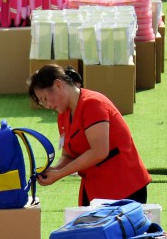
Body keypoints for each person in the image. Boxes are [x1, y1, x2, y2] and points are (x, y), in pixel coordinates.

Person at [30, 64, 151, 205]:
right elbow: (68, 155)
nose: (47, 106)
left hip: (124, 186)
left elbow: (99, 151)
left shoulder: (93, 103)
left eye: (44, 98)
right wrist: (54, 169)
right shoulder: (63, 115)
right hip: (96, 189)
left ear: (58, 85)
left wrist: (60, 174)